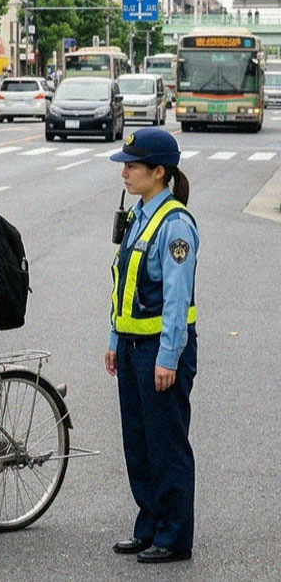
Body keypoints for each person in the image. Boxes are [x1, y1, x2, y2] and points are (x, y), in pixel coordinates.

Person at [105, 128, 198, 564]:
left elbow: (178, 301)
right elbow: (122, 283)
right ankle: (149, 526)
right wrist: (114, 339)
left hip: (161, 351)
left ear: (159, 172)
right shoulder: (140, 214)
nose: (125, 172)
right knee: (138, 444)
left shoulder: (175, 224)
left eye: (133, 166)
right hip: (131, 346)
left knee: (166, 445)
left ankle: (174, 537)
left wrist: (168, 357)